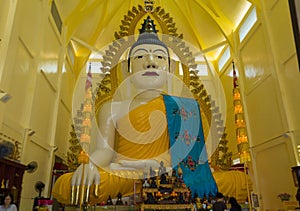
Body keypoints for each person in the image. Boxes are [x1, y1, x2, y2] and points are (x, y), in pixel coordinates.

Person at [52, 16, 217, 205]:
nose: (151, 62)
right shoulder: (112, 109)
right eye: (140, 56)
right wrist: (89, 165)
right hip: (125, 172)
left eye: (159, 57)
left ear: (170, 69)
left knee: (235, 181)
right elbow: (104, 152)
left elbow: (194, 159)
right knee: (69, 183)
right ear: (127, 69)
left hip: (170, 172)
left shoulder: (185, 108)